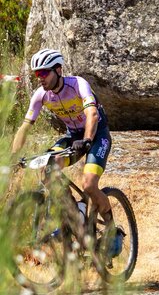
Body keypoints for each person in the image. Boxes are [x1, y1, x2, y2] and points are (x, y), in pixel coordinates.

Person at [11, 49, 115, 230]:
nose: (40, 78)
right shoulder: (41, 95)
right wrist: (13, 157)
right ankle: (75, 214)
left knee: (89, 185)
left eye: (44, 73)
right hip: (73, 136)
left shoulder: (77, 84)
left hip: (97, 134)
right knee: (48, 169)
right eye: (37, 74)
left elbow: (92, 114)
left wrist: (87, 140)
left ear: (58, 70)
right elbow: (24, 127)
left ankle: (112, 230)